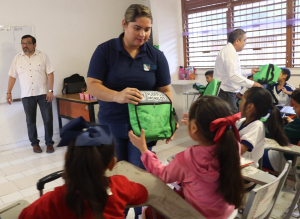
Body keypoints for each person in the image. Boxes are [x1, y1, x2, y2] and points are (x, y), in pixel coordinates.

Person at [87, 5, 177, 217]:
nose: (143, 34)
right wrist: (117, 96)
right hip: (111, 124)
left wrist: (168, 120)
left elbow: (165, 90)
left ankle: (139, 214)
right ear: (124, 24)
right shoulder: (105, 50)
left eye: (147, 29)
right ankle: (118, 213)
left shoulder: (155, 55)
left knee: (140, 177)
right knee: (115, 176)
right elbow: (92, 85)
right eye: (137, 28)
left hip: (145, 129)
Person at [129, 96, 244, 219]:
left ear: (194, 127)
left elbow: (162, 174)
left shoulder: (187, 159)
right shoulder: (234, 146)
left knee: (148, 212)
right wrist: (195, 124)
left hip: (195, 215)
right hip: (226, 213)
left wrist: (144, 149)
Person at [19, 117, 148, 219]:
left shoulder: (51, 203)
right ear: (112, 164)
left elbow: (25, 216)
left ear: (66, 157)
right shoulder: (121, 186)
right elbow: (143, 193)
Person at [6, 35, 55, 153]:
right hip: (27, 95)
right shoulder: (17, 58)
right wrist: (9, 92)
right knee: (30, 121)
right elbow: (12, 76)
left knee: (48, 119)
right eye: (23, 43)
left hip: (43, 93)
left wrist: (50, 91)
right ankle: (35, 144)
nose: (25, 45)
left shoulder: (42, 55)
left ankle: (49, 143)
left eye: (28, 43)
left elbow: (50, 73)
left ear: (34, 45)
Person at [214, 29, 262, 114]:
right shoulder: (230, 52)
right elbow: (233, 75)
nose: (245, 43)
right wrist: (253, 84)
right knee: (232, 118)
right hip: (225, 92)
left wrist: (250, 71)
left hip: (226, 91)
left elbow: (235, 71)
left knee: (229, 117)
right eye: (244, 40)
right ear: (237, 40)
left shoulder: (229, 50)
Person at [263, 88, 300, 172]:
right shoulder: (297, 123)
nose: (293, 109)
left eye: (296, 106)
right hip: (291, 157)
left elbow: (274, 134)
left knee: (254, 154)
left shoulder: (298, 124)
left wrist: (260, 129)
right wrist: (292, 122)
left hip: (288, 161)